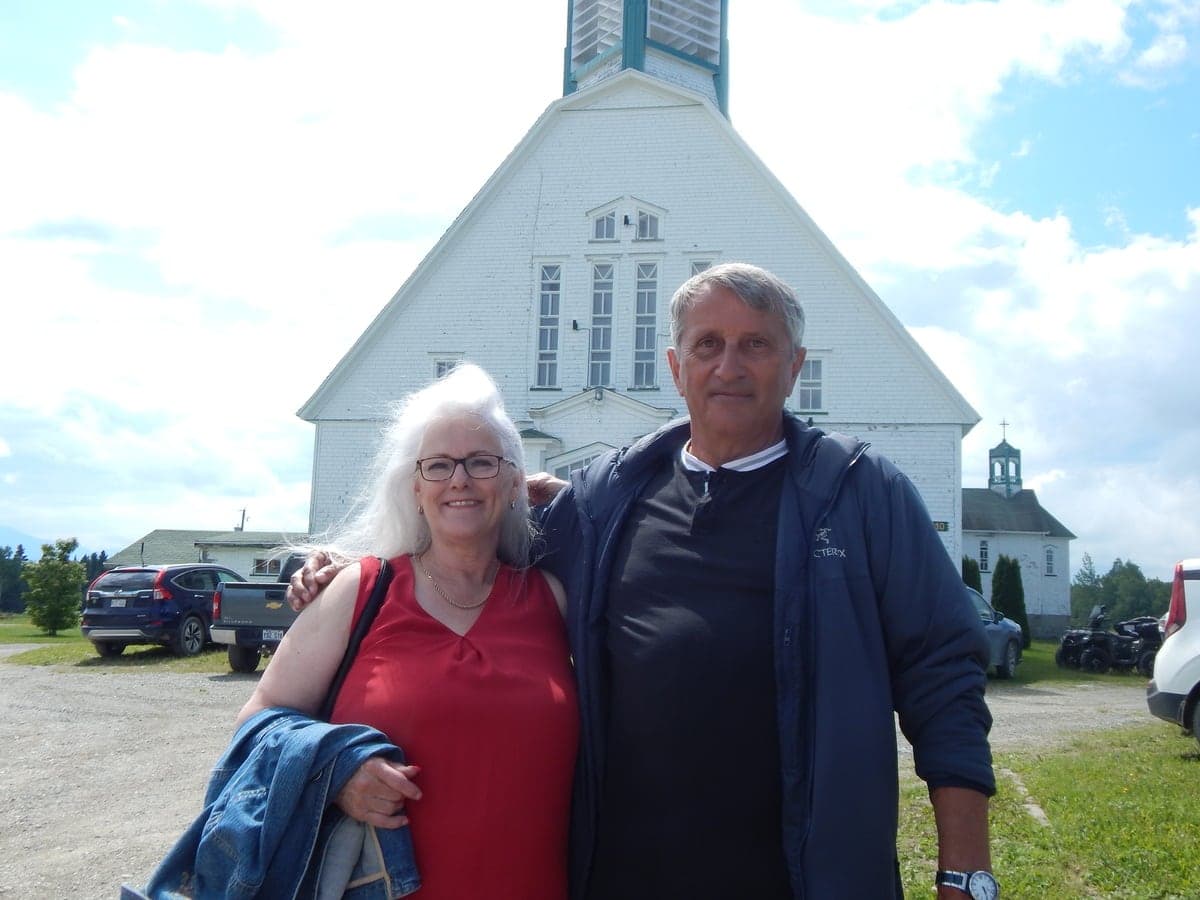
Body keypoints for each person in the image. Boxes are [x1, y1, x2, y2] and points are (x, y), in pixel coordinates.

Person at [291, 264, 997, 900]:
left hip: (802, 875)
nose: (730, 365)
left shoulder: (859, 493)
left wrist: (964, 872)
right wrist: (347, 570)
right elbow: (470, 539)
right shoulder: (605, 500)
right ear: (674, 365)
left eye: (757, 343)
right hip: (625, 872)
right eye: (707, 344)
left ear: (795, 366)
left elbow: (943, 677)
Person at [243, 363, 579, 900]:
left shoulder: (553, 599)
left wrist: (579, 500)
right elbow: (259, 718)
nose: (460, 480)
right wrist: (336, 771)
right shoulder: (358, 590)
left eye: (482, 462)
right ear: (415, 487)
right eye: (439, 465)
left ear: (516, 482)